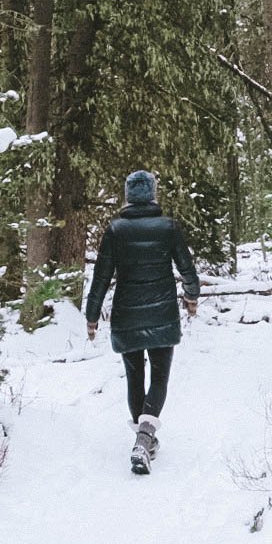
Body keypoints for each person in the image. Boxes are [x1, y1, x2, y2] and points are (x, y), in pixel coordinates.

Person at [84, 169, 200, 474]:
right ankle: (145, 438)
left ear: (127, 197)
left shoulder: (115, 230)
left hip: (127, 315)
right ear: (152, 195)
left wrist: (92, 315)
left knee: (135, 377)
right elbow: (186, 267)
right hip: (162, 314)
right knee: (159, 377)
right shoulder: (168, 227)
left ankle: (143, 438)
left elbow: (101, 277)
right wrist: (192, 296)